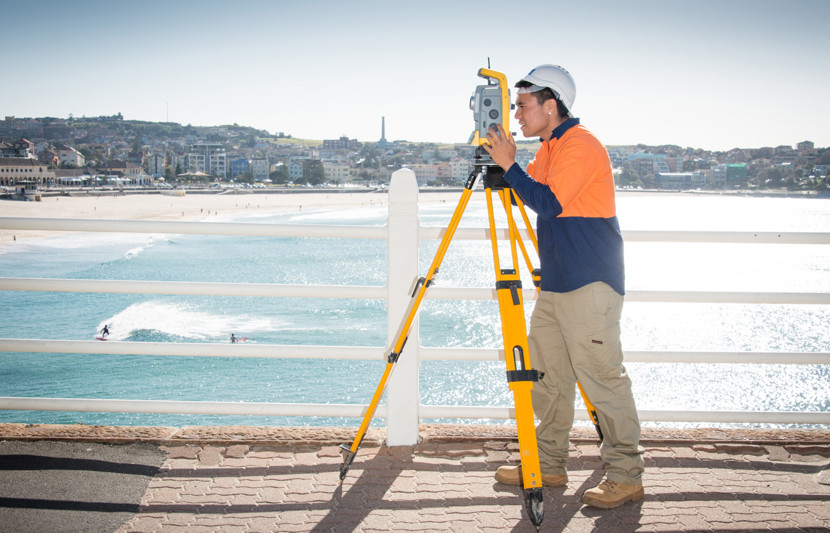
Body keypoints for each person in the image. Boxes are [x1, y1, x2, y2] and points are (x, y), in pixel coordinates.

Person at [482, 64, 645, 509]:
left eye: (522, 106)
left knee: (603, 380)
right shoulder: (550, 147)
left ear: (549, 106)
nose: (516, 114)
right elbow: (523, 189)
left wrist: (510, 164)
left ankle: (627, 475)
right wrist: (502, 164)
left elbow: (548, 202)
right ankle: (549, 464)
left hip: (589, 283)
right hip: (556, 286)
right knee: (548, 380)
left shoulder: (581, 144)